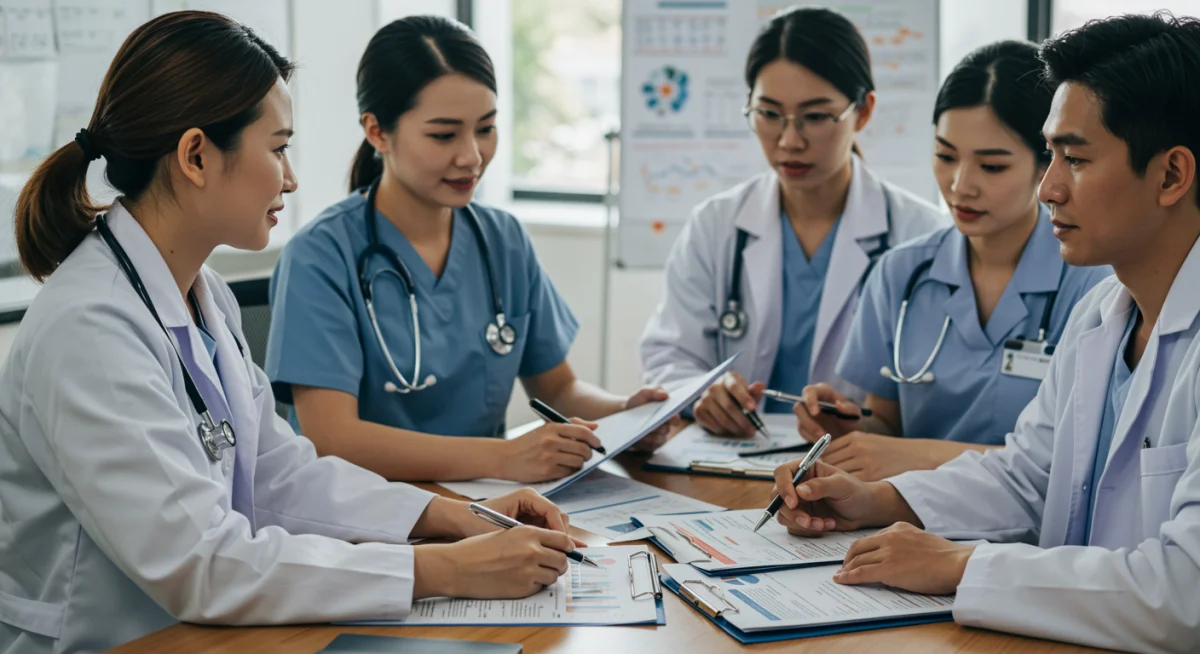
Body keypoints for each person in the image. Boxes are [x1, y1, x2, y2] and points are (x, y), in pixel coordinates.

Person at [0, 12, 585, 653]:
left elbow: (279, 474)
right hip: (113, 640)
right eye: (277, 148)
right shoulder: (91, 328)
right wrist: (437, 569)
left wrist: (455, 518)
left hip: (204, 632)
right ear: (197, 155)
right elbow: (201, 563)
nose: (292, 177)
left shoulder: (202, 294)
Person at [771, 13, 1200, 652]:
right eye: (1050, 154)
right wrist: (876, 500)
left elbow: (1185, 593)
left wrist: (960, 563)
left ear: (1170, 175)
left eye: (1075, 159)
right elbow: (1027, 478)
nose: (1049, 187)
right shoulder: (1104, 316)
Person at [266, 16, 671, 484]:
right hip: (365, 523)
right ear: (377, 132)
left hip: (486, 510)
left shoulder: (503, 240)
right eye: (444, 135)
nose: (472, 156)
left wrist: (627, 416)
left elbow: (559, 388)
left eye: (485, 128)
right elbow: (333, 439)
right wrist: (502, 458)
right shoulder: (320, 255)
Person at [791, 41, 1111, 481]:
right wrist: (850, 428)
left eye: (992, 167)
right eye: (945, 156)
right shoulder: (900, 274)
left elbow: (1076, 457)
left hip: (1028, 537)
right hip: (903, 517)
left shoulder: (1093, 285)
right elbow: (888, 425)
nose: (961, 185)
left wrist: (916, 456)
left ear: (1046, 166)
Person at [638, 7, 945, 438]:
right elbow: (669, 353)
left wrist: (866, 420)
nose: (789, 140)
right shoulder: (717, 225)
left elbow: (931, 391)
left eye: (815, 117)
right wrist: (704, 393)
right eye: (768, 114)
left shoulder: (920, 235)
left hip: (854, 470)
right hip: (724, 459)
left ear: (864, 111)